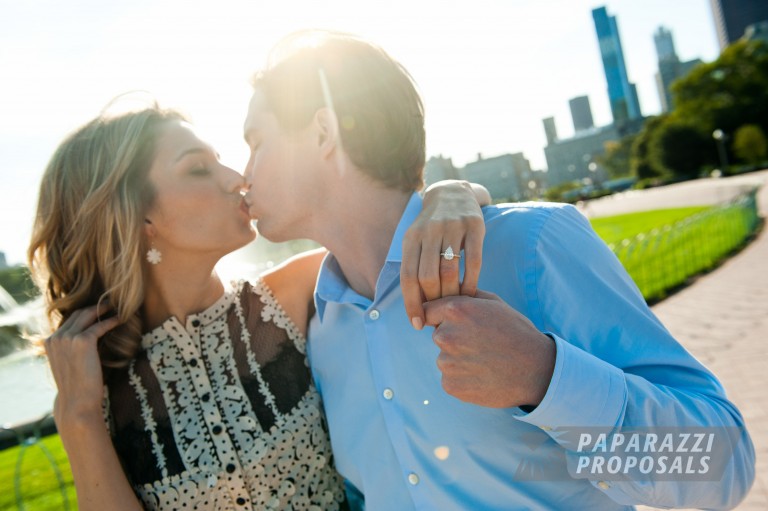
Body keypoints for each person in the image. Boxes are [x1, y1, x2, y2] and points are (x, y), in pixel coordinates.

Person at [242, 30, 756, 510]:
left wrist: (544, 378)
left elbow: (724, 465)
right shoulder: (319, 326)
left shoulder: (530, 247)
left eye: (257, 142)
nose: (245, 174)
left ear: (323, 132)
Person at [28, 104, 490, 510]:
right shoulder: (95, 381)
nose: (237, 178)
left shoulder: (300, 292)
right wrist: (78, 418)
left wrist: (448, 192)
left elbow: (399, 219)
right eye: (197, 168)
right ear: (136, 214)